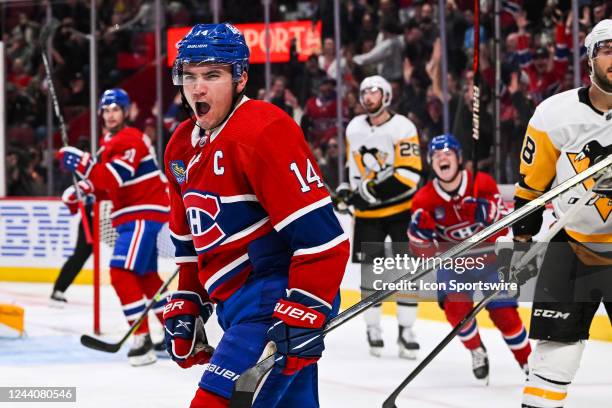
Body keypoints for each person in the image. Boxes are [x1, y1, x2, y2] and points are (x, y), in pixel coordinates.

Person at [162, 23, 349, 407]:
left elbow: (323, 240)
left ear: (240, 77)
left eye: (212, 75)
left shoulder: (265, 130)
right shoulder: (180, 147)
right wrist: (189, 299)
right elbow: (191, 244)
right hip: (235, 306)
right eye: (190, 76)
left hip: (273, 305)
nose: (198, 88)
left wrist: (306, 309)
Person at [510, 19, 612, 408]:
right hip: (572, 245)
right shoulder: (554, 115)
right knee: (556, 354)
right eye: (607, 49)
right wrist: (521, 245)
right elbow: (530, 190)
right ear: (590, 59)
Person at [57, 88, 170, 366]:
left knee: (120, 272)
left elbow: (113, 178)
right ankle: (176, 333)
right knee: (145, 277)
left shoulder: (130, 139)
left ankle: (141, 340)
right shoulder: (108, 144)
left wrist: (83, 163)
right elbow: (106, 186)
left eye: (115, 109)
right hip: (132, 215)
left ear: (127, 111)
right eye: (106, 110)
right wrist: (82, 190)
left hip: (143, 212)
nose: (110, 115)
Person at [409, 134, 531, 382]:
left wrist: (485, 214)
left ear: (459, 159)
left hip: (490, 261)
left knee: (506, 316)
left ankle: (528, 362)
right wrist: (419, 237)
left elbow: (505, 228)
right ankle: (476, 350)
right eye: (436, 155)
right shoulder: (423, 199)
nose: (442, 158)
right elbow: (424, 255)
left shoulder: (482, 183)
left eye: (448, 154)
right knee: (457, 313)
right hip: (454, 266)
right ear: (431, 163)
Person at [335, 75, 422, 359]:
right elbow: (352, 166)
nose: (369, 97)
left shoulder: (403, 127)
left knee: (406, 275)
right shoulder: (354, 127)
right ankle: (373, 328)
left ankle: (406, 330)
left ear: (386, 96)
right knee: (370, 275)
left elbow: (409, 176)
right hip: (367, 217)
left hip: (400, 213)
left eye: (375, 92)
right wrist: (348, 189)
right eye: (365, 92)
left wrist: (368, 192)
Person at [50, 184, 94, 306]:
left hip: (115, 216)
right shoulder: (88, 176)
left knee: (126, 253)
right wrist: (76, 198)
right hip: (91, 219)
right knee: (80, 255)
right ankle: (59, 289)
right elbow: (68, 197)